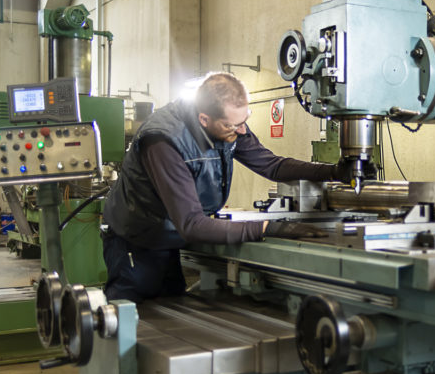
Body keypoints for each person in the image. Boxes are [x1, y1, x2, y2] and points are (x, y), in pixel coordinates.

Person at [102, 72, 341, 303]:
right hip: (137, 242)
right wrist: (269, 228)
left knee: (171, 307)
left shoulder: (231, 124)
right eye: (233, 126)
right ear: (204, 119)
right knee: (132, 321)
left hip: (171, 237)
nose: (242, 131)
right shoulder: (164, 141)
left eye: (244, 120)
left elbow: (272, 166)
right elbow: (192, 225)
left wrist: (333, 172)